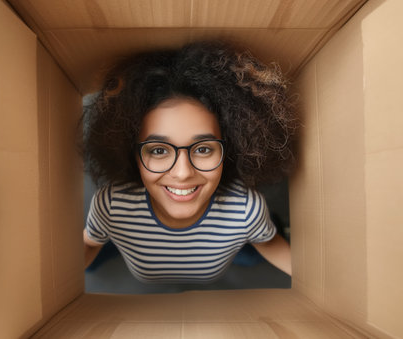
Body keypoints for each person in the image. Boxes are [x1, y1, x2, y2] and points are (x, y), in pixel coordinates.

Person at [82, 41, 297, 283]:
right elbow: (89, 244)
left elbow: (267, 243)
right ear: (132, 155)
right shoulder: (111, 206)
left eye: (203, 149)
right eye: (159, 150)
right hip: (118, 232)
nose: (183, 173)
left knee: (248, 255)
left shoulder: (246, 211)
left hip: (235, 245)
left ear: (229, 151)